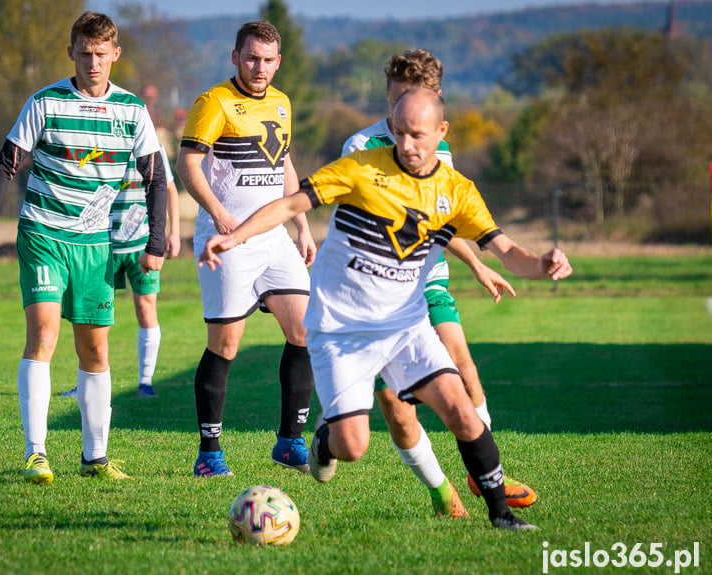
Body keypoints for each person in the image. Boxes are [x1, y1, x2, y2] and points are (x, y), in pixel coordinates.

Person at [201, 87, 573, 530]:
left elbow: (505, 248)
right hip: (341, 330)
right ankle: (324, 441)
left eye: (418, 134)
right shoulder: (361, 169)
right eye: (399, 133)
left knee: (460, 408)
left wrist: (542, 264)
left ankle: (501, 516)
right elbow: (289, 203)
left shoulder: (456, 191)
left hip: (405, 324)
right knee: (353, 446)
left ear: (442, 131)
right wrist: (235, 235)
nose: (407, 145)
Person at [0, 11, 167, 484]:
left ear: (115, 54)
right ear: (71, 51)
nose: (93, 62)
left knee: (95, 350)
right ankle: (37, 453)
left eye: (101, 54)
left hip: (96, 244)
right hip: (43, 235)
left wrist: (155, 243)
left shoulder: (133, 111)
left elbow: (157, 180)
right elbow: (5, 166)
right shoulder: (45, 102)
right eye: (84, 52)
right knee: (44, 336)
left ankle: (95, 457)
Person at [341, 49, 536, 517]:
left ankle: (485, 472)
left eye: (409, 100)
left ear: (435, 102)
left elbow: (441, 219)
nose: (398, 112)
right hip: (374, 296)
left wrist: (477, 264)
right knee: (397, 410)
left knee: (463, 365)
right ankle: (441, 492)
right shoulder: (360, 148)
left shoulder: (439, 148)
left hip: (427, 279)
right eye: (392, 99)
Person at [176, 20, 317, 477]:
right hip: (226, 241)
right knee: (226, 345)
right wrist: (217, 212)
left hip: (275, 239)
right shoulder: (213, 102)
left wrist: (302, 224)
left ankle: (290, 443)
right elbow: (188, 163)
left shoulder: (281, 103)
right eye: (252, 58)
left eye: (269, 60)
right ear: (235, 57)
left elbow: (284, 165)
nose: (261, 68)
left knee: (305, 332)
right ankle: (209, 453)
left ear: (279, 61)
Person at [60, 145, 181, 399]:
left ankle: (145, 383)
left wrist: (174, 233)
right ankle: (87, 383)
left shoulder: (152, 145)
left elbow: (169, 188)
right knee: (93, 317)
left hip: (142, 244)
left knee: (146, 310)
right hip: (102, 243)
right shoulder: (103, 140)